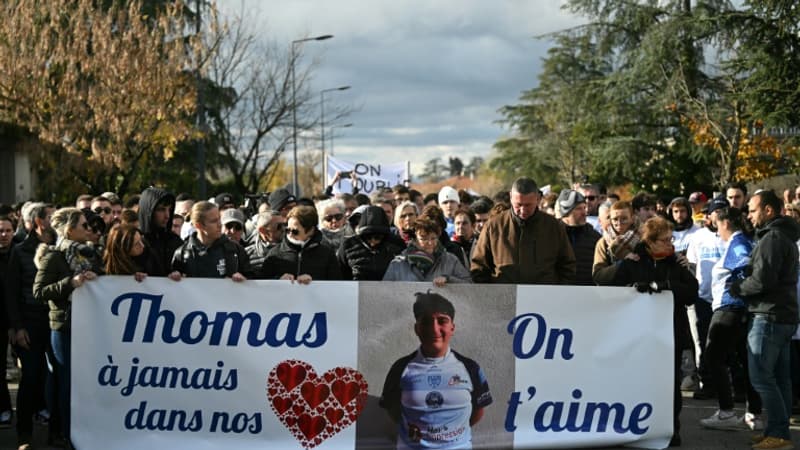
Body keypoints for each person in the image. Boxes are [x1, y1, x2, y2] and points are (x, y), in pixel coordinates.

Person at [595, 216, 698, 447]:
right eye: (664, 240)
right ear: (650, 242)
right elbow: (601, 279)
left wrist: (666, 287)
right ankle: (637, 427)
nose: (669, 244)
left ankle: (672, 429)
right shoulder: (635, 261)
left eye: (671, 239)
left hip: (670, 334)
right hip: (637, 335)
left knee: (670, 385)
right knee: (638, 382)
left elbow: (692, 292)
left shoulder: (676, 262)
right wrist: (623, 264)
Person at [730, 190, 800, 450]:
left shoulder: (772, 238)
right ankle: (778, 432)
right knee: (779, 379)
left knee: (760, 377)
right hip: (780, 315)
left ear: (769, 210)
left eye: (752, 209)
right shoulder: (783, 236)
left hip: (768, 315)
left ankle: (780, 434)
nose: (748, 214)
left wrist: (738, 287)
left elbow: (763, 281)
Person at [379, 292, 492, 449]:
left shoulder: (470, 368)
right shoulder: (400, 368)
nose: (434, 328)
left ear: (452, 327)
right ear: (417, 328)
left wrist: (449, 436)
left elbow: (478, 411)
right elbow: (392, 410)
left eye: (442, 321)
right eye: (426, 321)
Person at [33, 207, 102, 448]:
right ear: (70, 229)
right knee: (66, 382)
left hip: (87, 327)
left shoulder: (89, 254)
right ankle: (63, 432)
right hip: (64, 327)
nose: (88, 229)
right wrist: (69, 283)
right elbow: (39, 291)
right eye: (83, 225)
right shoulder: (54, 256)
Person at [700, 206, 763, 432]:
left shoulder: (738, 243)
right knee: (744, 360)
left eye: (717, 225)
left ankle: (727, 412)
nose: (717, 230)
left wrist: (737, 290)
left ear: (725, 223)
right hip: (736, 308)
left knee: (713, 357)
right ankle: (753, 412)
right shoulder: (742, 241)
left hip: (729, 308)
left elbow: (745, 267)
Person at [5, 204, 59, 448]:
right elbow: (11, 292)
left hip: (57, 322)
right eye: (50, 217)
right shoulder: (20, 250)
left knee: (58, 378)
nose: (54, 220)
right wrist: (17, 327)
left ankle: (57, 434)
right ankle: (24, 435)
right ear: (39, 221)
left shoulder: (61, 246)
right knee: (31, 378)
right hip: (30, 323)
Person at [471, 177, 575, 284]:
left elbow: (567, 265)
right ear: (511, 197)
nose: (523, 210)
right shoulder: (493, 227)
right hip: (505, 296)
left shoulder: (553, 227)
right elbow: (479, 266)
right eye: (518, 204)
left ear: (538, 199)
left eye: (528, 205)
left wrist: (558, 292)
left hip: (544, 296)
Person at [170, 201, 251, 281]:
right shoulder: (182, 253)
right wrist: (174, 277)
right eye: (214, 221)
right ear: (198, 225)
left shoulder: (235, 250)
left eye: (219, 219)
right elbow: (171, 288)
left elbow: (253, 282)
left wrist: (243, 279)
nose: (220, 224)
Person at [259, 205, 341, 283]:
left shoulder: (327, 254)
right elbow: (263, 284)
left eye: (295, 231)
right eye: (287, 230)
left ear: (311, 230)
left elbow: (336, 284)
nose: (289, 234)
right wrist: (278, 280)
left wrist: (313, 282)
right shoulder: (274, 254)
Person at [383, 217, 472, 286]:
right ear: (414, 240)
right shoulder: (399, 263)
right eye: (424, 239)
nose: (430, 243)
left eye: (433, 238)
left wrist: (448, 279)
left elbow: (469, 284)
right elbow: (386, 290)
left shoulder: (450, 260)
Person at [338, 206, 404, 280]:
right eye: (368, 237)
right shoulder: (348, 246)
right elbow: (340, 275)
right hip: (355, 290)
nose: (373, 242)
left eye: (377, 237)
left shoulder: (396, 244)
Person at [557, 189, 601, 285]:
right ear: (566, 212)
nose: (584, 212)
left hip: (588, 294)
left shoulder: (595, 237)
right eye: (578, 209)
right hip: (558, 293)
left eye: (584, 208)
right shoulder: (551, 235)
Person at [136, 187, 183, 276]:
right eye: (161, 209)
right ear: (149, 211)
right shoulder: (134, 241)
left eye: (169, 209)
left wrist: (181, 274)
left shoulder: (175, 241)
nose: (167, 215)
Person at [592, 201, 639, 283]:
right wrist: (622, 264)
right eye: (615, 219)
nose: (619, 223)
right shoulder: (603, 242)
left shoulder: (643, 238)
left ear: (632, 218)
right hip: (613, 292)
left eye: (624, 218)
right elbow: (597, 276)